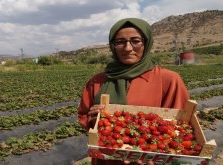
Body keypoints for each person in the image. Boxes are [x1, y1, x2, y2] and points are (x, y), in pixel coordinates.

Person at [78, 18, 189, 165]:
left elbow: (181, 125)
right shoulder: (98, 81)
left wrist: (156, 153)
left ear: (146, 43)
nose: (128, 48)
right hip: (107, 159)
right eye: (120, 42)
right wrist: (93, 119)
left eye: (135, 41)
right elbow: (84, 116)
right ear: (113, 46)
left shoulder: (169, 80)